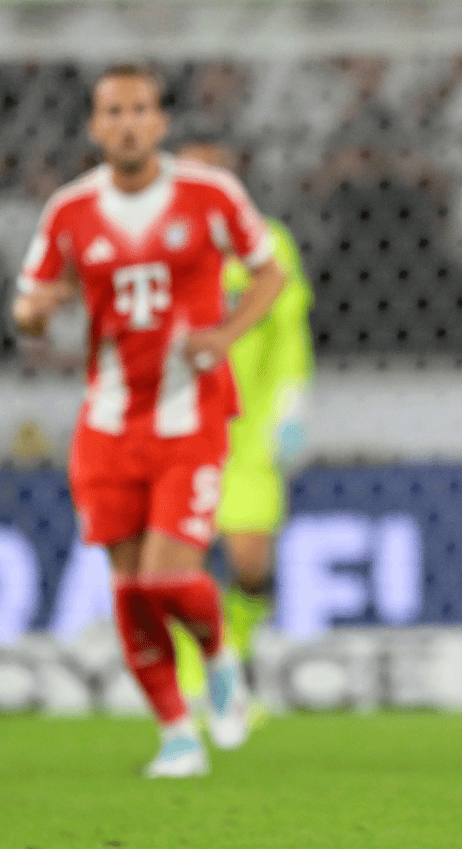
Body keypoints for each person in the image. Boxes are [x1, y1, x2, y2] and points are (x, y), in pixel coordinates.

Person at [12, 63, 285, 777]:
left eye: (139, 109)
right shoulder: (70, 210)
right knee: (130, 590)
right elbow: (30, 301)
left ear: (160, 122)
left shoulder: (209, 194)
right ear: (94, 125)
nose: (127, 123)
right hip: (107, 423)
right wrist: (35, 312)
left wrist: (225, 335)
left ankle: (219, 656)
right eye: (113, 111)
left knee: (166, 579)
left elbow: (270, 272)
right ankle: (177, 735)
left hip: (189, 415)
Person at [173, 139, 314, 698]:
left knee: (251, 565)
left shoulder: (269, 244)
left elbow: (290, 334)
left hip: (249, 429)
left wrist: (291, 406)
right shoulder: (159, 245)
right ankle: (196, 684)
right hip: (180, 428)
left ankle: (234, 654)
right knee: (179, 562)